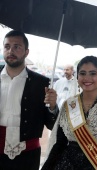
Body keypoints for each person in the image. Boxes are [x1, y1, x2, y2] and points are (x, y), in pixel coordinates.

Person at [0, 30, 58, 170]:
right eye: (7, 46)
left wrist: (52, 106)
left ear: (26, 52)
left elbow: (52, 125)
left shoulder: (41, 83)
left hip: (28, 155)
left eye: (17, 47)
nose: (11, 51)